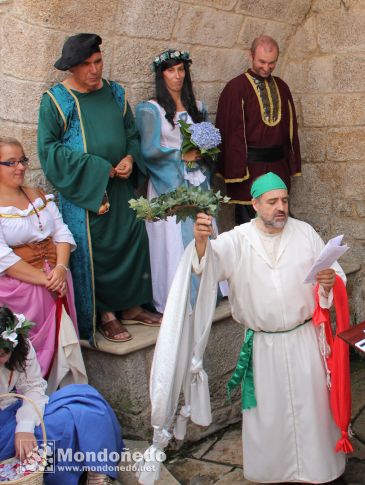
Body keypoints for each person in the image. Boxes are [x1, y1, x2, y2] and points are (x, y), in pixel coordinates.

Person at [183, 172, 344, 482]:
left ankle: (320, 471)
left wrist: (329, 281)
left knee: (313, 412)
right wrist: (201, 242)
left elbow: (334, 272)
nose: (280, 207)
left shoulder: (305, 233)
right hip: (263, 346)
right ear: (255, 204)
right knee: (268, 417)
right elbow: (207, 267)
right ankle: (274, 474)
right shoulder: (236, 239)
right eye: (272, 202)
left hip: (303, 340)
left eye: (284, 200)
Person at [37, 33, 161, 344]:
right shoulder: (56, 101)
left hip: (120, 188)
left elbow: (131, 132)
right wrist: (97, 167)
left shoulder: (116, 93)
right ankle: (106, 314)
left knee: (132, 241)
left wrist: (131, 157)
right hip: (87, 193)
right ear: (72, 68)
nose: (95, 70)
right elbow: (48, 150)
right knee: (99, 251)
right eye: (87, 65)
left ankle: (131, 306)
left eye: (98, 61)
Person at [135, 49, 228, 312]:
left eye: (181, 70)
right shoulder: (150, 109)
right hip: (170, 185)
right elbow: (149, 151)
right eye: (170, 70)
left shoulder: (198, 107)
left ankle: (208, 291)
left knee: (204, 230)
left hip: (198, 181)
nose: (177, 76)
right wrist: (181, 155)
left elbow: (210, 142)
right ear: (161, 74)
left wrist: (204, 153)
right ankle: (178, 297)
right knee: (175, 240)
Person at [0, 306, 124, 485]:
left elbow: (33, 386)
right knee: (61, 428)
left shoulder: (21, 346)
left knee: (85, 398)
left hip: (17, 410)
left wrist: (24, 428)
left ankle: (97, 473)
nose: (1, 359)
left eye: (3, 354)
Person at [0, 137, 86, 390]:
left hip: (57, 280)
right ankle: (35, 402)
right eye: (11, 162)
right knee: (30, 352)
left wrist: (60, 270)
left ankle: (65, 395)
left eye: (23, 160)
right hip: (23, 290)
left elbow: (62, 233)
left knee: (64, 345)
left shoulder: (38, 196)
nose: (21, 167)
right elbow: (3, 257)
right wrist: (47, 280)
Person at [216, 35, 301, 225]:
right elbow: (230, 134)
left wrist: (291, 164)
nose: (266, 67)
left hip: (278, 168)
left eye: (272, 63)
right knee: (250, 225)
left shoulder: (282, 87)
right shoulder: (236, 88)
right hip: (250, 172)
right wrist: (237, 171)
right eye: (262, 61)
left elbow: (290, 132)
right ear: (251, 56)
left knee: (279, 219)